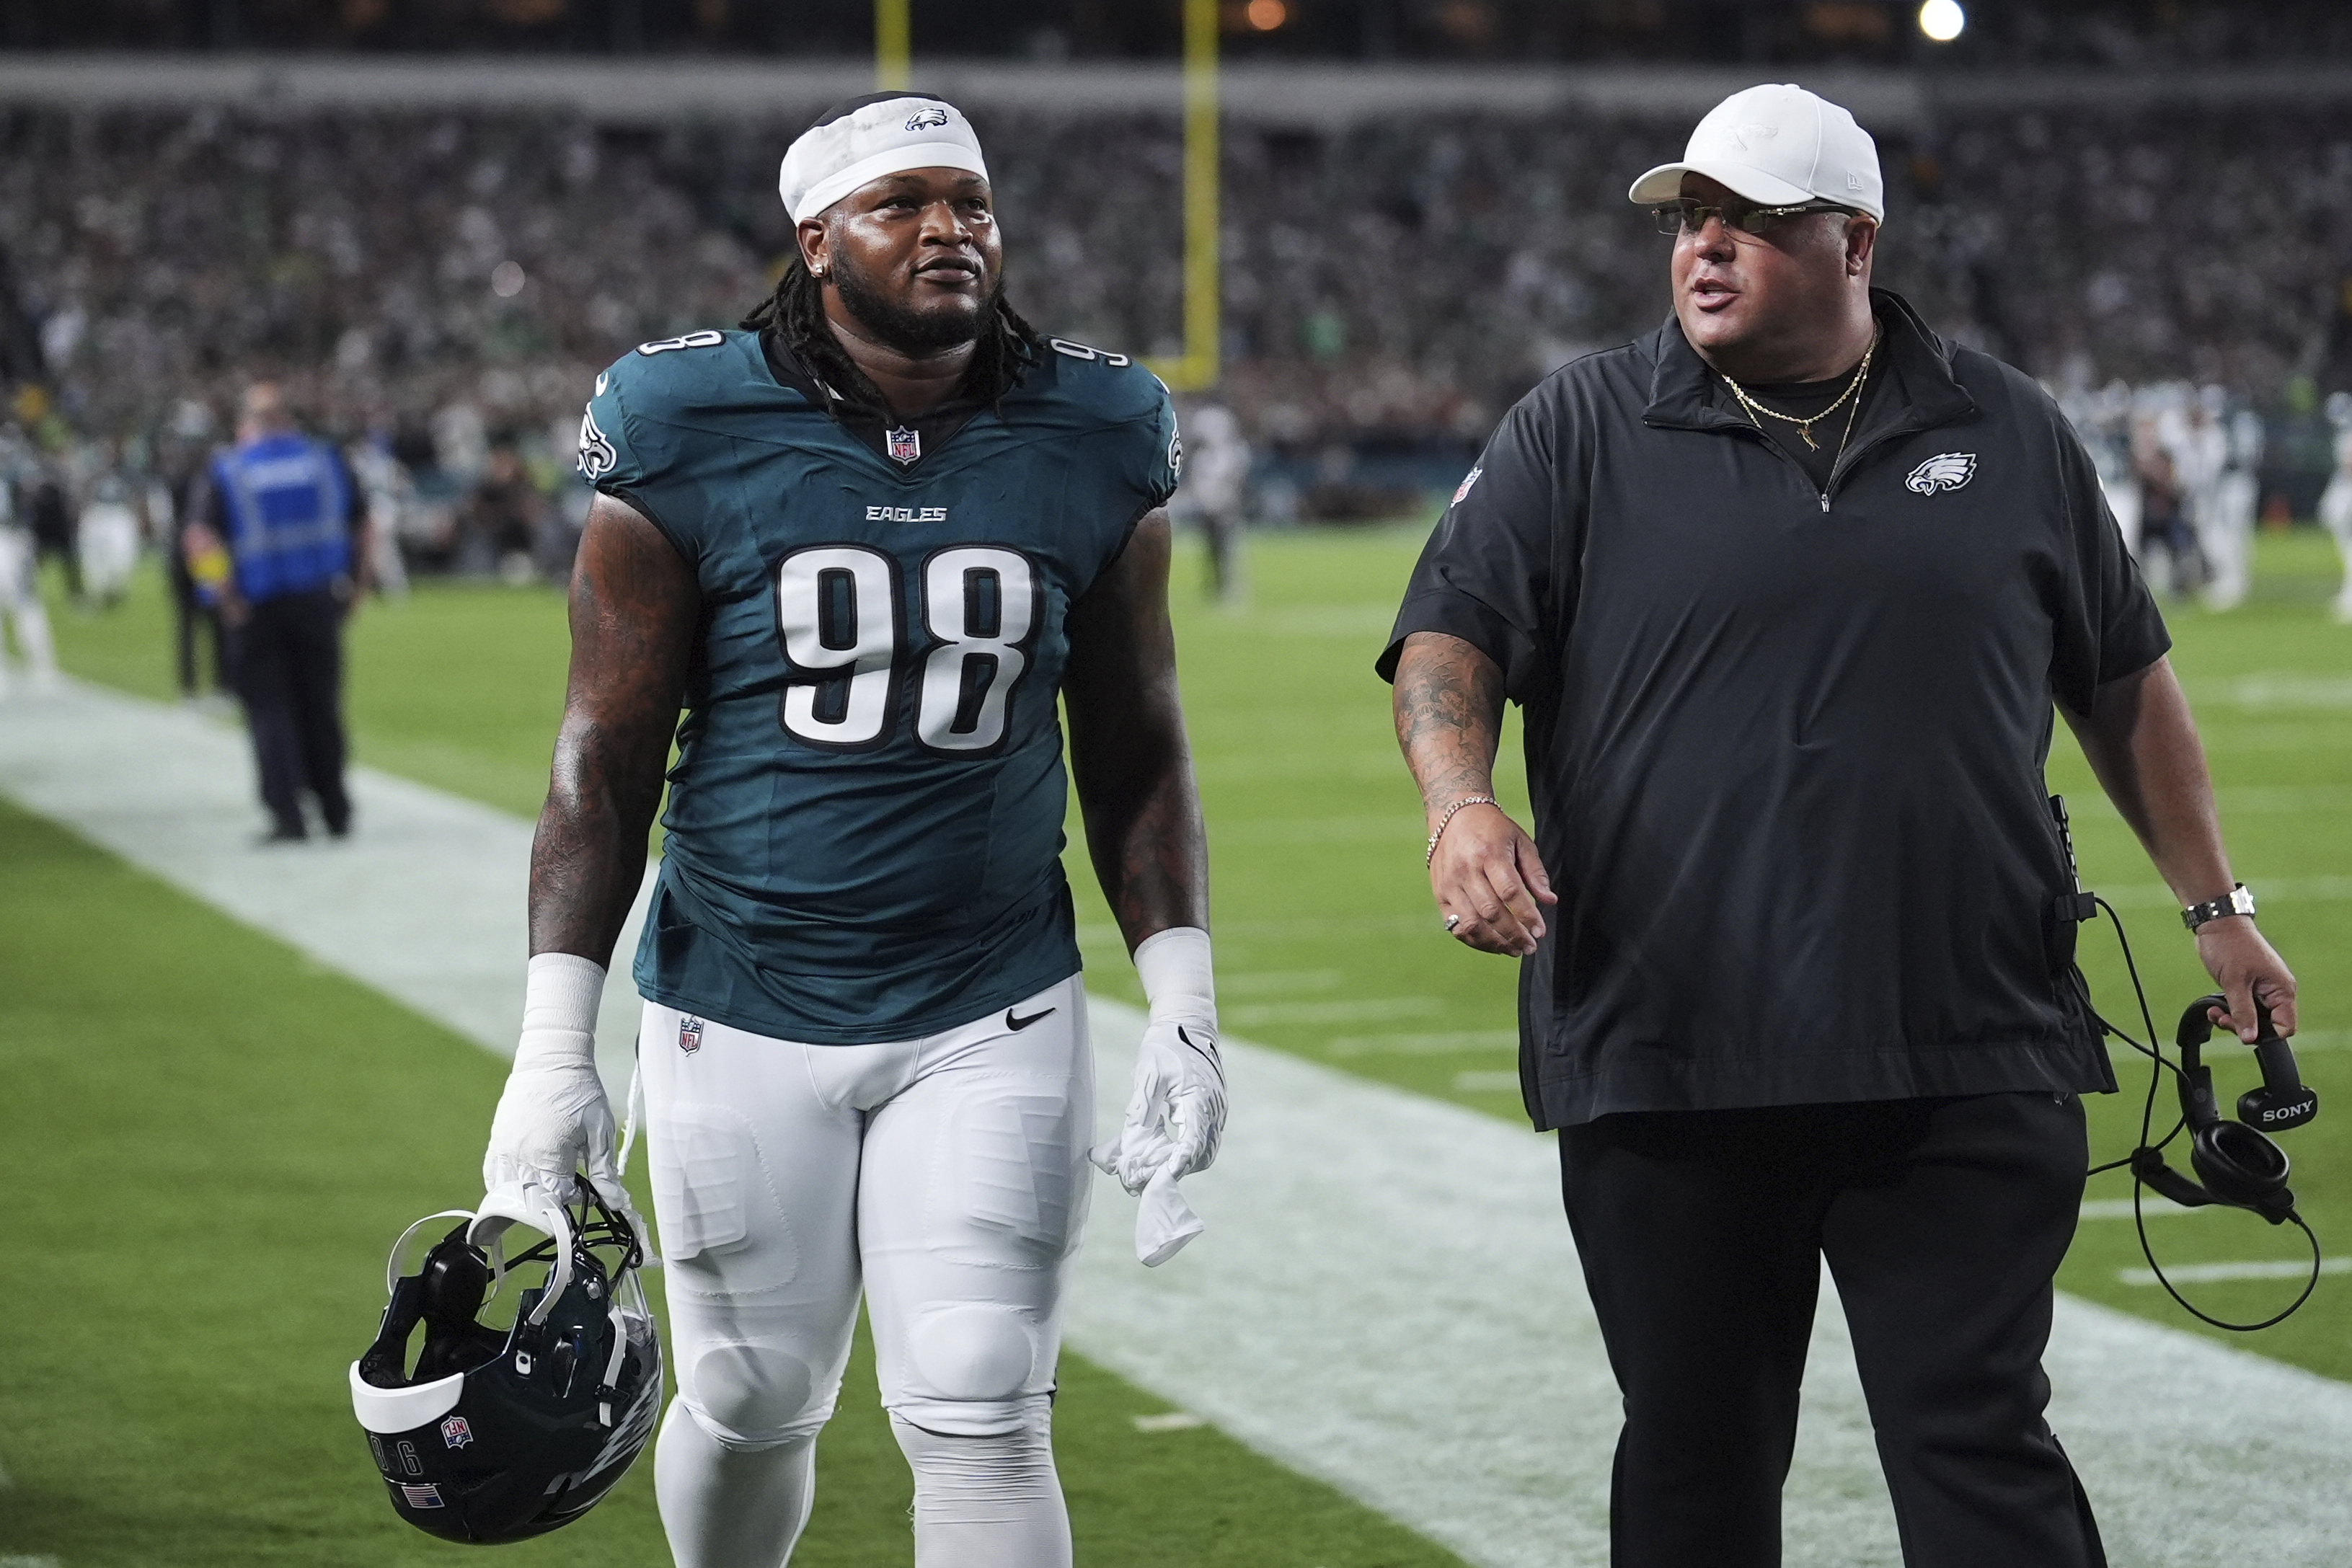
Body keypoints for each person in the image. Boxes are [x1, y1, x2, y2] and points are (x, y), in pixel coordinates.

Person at [1379, 83, 2296, 1568]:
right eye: (1690, 218)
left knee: (1974, 1437)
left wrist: (2214, 908)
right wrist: (1459, 803)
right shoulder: (1577, 425)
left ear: (1853, 241)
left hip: (1961, 1036)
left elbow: (2124, 682)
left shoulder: (2006, 428)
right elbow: (1447, 641)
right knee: (1690, 1457)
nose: (1704, 249)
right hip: (1668, 1045)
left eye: (1749, 220)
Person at [475, 94, 1225, 1568]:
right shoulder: (682, 417)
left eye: (973, 202)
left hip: (990, 995)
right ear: (815, 242)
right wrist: (552, 1050)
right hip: (737, 994)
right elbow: (602, 754)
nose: (952, 228)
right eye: (905, 204)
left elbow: (1134, 734)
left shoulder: (1095, 425)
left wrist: (1185, 1007)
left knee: (979, 1398)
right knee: (751, 1394)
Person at [198, 383, 367, 842]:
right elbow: (362, 521)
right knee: (321, 707)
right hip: (318, 600)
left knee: (270, 711)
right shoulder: (323, 460)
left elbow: (201, 539)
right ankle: (335, 809)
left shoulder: (230, 470)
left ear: (248, 421)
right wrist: (359, 584)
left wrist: (223, 594)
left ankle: (288, 815)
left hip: (256, 607)